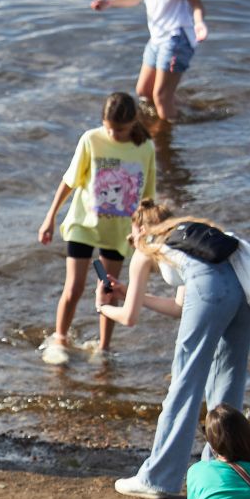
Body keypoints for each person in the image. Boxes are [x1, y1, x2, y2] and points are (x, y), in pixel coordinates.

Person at [94, 202, 250, 499]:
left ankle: (158, 478)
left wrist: (103, 307)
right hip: (244, 291)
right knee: (228, 383)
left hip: (211, 290)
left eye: (132, 235)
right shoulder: (192, 236)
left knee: (185, 381)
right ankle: (226, 470)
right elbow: (180, 307)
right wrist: (131, 292)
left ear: (140, 228)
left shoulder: (146, 245)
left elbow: (128, 318)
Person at [34, 92, 157, 363]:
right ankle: (60, 339)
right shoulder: (92, 139)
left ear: (134, 122)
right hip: (84, 226)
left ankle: (103, 348)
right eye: (109, 128)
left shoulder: (145, 148)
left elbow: (148, 196)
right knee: (75, 286)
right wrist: (50, 217)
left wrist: (146, 232)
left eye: (120, 130)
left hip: (116, 234)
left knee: (107, 287)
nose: (113, 134)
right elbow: (70, 181)